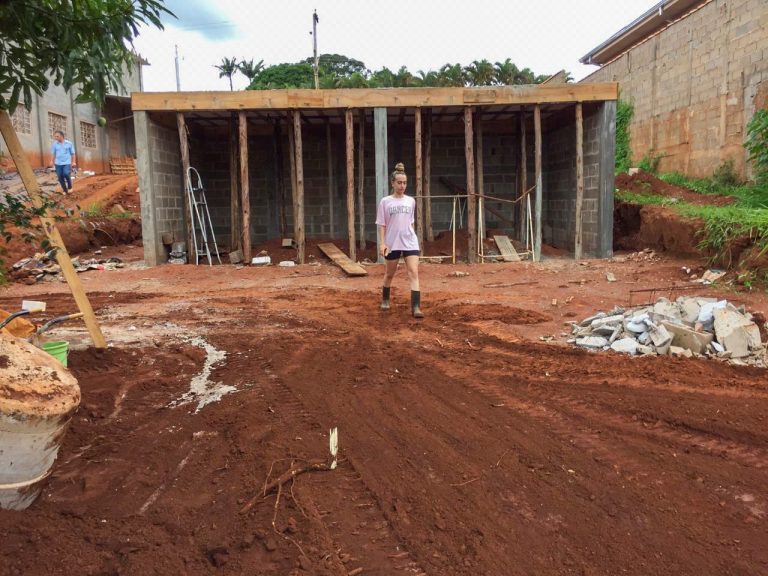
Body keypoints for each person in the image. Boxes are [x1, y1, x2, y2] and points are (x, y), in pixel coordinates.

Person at [376, 162, 424, 318]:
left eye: (404, 183)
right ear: (392, 183)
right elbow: (382, 224)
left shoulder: (411, 201)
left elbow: (410, 222)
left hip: (410, 241)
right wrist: (383, 243)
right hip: (391, 243)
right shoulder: (385, 202)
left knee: (413, 272)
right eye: (399, 183)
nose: (402, 186)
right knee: (390, 274)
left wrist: (410, 235)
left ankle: (416, 307)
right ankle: (385, 299)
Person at [50, 130, 77, 194]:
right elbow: (53, 154)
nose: (55, 138)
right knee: (60, 176)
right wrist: (51, 161)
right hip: (58, 163)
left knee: (66, 174)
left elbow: (73, 153)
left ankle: (70, 187)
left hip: (67, 163)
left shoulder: (69, 143)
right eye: (55, 136)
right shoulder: (55, 144)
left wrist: (73, 162)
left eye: (57, 136)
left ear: (62, 136)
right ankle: (65, 190)